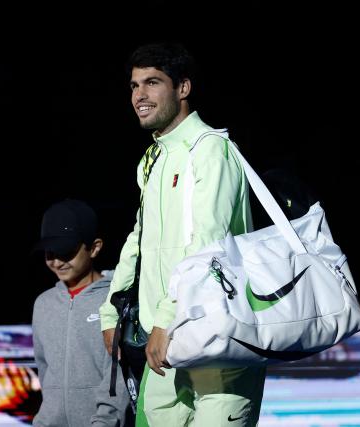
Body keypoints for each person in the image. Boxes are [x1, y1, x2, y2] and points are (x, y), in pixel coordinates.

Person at [99, 43, 266, 426]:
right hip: (164, 344)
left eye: (152, 82)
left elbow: (207, 246)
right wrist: (111, 311)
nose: (139, 95)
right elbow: (137, 241)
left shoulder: (211, 149)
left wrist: (166, 320)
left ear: (183, 88)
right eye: (134, 85)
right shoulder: (153, 158)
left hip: (217, 339)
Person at [31, 199, 130, 426]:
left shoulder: (114, 299)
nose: (57, 261)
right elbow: (44, 370)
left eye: (66, 251)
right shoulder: (44, 304)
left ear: (94, 247)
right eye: (49, 252)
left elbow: (119, 372)